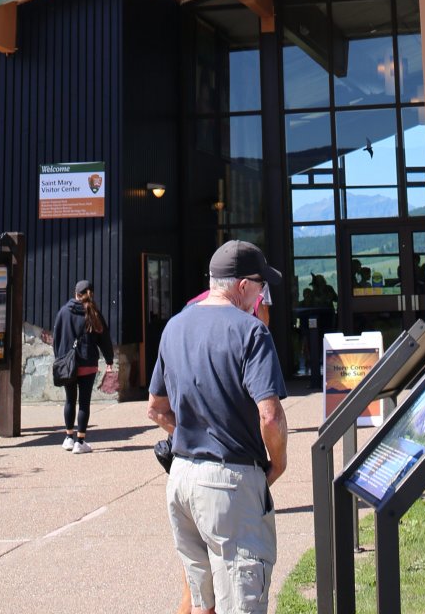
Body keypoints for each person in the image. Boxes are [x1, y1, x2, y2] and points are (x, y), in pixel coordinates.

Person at [149, 239, 288, 614]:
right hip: (230, 484)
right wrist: (277, 463)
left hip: (181, 478)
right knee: (242, 603)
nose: (261, 295)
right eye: (261, 285)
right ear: (243, 286)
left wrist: (194, 433)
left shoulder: (174, 327)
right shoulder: (252, 331)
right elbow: (270, 415)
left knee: (201, 604)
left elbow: (156, 409)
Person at [52, 278, 114, 453]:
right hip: (88, 363)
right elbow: (104, 338)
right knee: (84, 403)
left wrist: (60, 358)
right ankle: (80, 442)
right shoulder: (94, 312)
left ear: (75, 294)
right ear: (91, 294)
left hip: (68, 364)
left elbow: (56, 338)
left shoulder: (64, 312)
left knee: (70, 400)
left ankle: (68, 438)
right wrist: (109, 359)